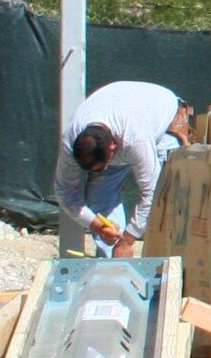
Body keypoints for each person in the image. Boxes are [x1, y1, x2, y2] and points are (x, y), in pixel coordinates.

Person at [56, 80, 196, 257]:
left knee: (166, 197)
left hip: (162, 116)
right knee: (100, 196)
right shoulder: (70, 140)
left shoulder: (136, 139)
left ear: (112, 149)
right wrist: (97, 225)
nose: (100, 171)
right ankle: (112, 264)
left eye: (102, 166)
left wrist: (128, 241)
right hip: (125, 107)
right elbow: (65, 191)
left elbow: (152, 193)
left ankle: (167, 265)